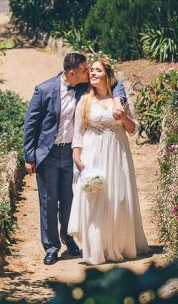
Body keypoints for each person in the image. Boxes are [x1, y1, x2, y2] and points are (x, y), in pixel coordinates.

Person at [23, 53, 127, 265]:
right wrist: (29, 156)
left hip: (72, 152)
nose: (89, 72)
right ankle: (51, 247)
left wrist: (118, 100)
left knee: (70, 199)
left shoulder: (83, 86)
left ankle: (68, 237)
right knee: (49, 202)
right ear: (72, 73)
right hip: (48, 154)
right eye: (85, 69)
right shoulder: (43, 90)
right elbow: (31, 124)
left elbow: (117, 84)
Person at [68, 58, 149, 265]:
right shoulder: (85, 100)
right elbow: (78, 132)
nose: (92, 73)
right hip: (92, 153)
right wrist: (76, 155)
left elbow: (132, 129)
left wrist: (122, 117)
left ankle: (120, 245)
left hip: (117, 153)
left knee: (118, 197)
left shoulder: (119, 100)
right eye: (91, 70)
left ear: (108, 75)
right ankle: (97, 249)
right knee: (95, 200)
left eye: (97, 70)